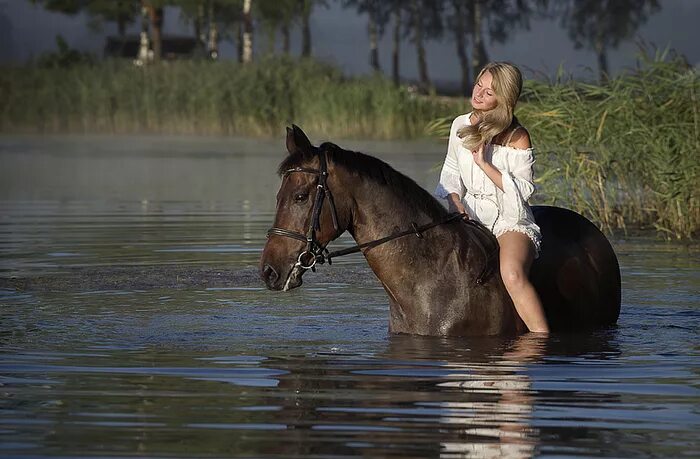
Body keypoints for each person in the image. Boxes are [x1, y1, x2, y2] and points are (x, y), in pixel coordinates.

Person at [435, 62, 549, 333]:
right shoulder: (460, 124)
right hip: (469, 214)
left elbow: (522, 192)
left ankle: (540, 340)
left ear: (504, 98)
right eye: (479, 85)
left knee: (511, 274)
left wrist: (487, 164)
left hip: (510, 218)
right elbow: (450, 170)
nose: (479, 94)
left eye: (489, 92)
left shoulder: (517, 137)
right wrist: (455, 202)